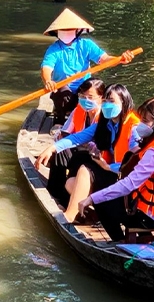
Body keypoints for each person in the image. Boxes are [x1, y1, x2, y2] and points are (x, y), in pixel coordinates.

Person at [76, 97, 154, 241]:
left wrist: (91, 199)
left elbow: (128, 185)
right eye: (142, 119)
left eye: (146, 121)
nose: (141, 124)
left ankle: (120, 241)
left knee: (101, 202)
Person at [34, 84, 140, 222]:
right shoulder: (105, 124)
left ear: (124, 102)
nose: (108, 105)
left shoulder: (134, 127)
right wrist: (52, 148)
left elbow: (136, 161)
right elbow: (77, 138)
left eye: (112, 101)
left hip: (126, 179)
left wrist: (108, 167)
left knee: (85, 170)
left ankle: (69, 216)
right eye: (106, 101)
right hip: (112, 175)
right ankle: (89, 210)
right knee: (71, 183)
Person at [40, 8, 134, 124]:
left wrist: (120, 59)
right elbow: (46, 68)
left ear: (78, 31)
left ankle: (93, 120)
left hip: (84, 87)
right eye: (63, 29)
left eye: (70, 29)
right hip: (64, 88)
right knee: (62, 93)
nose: (67, 31)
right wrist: (48, 81)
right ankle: (60, 120)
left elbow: (104, 59)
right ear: (57, 32)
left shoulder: (86, 45)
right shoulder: (54, 49)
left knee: (96, 88)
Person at [46, 78, 105, 205]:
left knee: (76, 157)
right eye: (83, 96)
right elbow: (66, 130)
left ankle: (69, 200)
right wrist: (59, 140)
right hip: (79, 148)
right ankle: (55, 192)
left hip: (95, 155)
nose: (86, 100)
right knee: (60, 150)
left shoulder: (104, 117)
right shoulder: (79, 109)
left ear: (101, 97)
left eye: (91, 97)